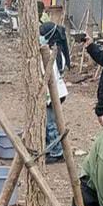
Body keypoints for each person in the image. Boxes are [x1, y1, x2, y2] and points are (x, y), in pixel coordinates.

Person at [41, 22, 69, 163]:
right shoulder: (59, 51)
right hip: (60, 91)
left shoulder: (47, 54)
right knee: (54, 121)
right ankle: (54, 147)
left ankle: (56, 152)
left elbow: (46, 76)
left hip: (53, 93)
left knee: (50, 123)